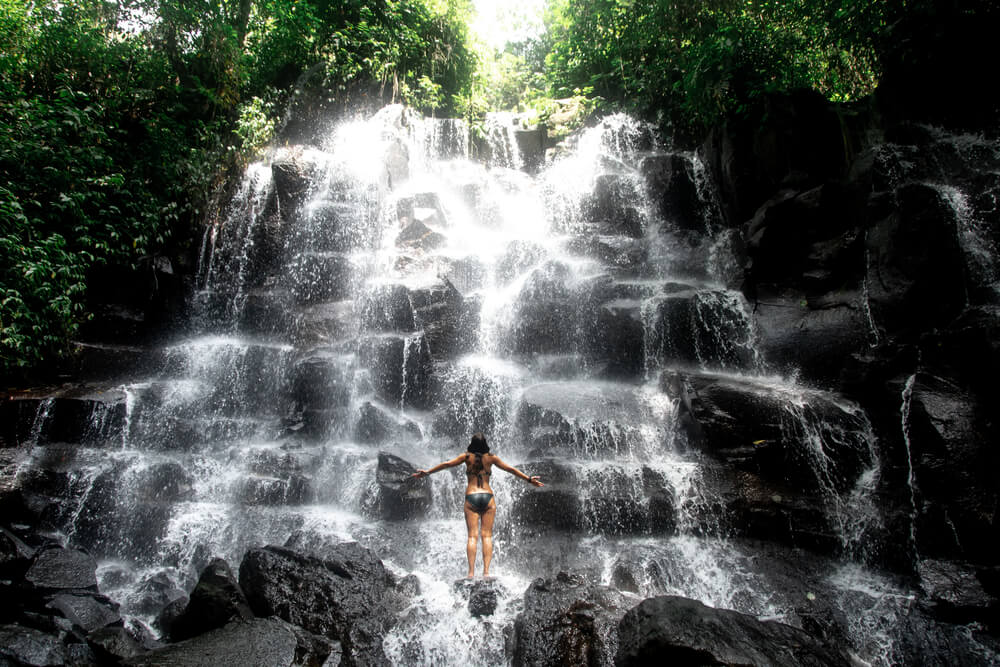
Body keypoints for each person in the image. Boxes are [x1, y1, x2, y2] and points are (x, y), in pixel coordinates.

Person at [411, 432, 543, 578]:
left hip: (471, 496)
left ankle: (471, 573)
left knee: (472, 537)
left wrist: (427, 472)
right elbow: (510, 469)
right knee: (486, 536)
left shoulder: (466, 457)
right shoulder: (491, 458)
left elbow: (446, 464)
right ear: (485, 444)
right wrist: (529, 479)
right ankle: (486, 572)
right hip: (488, 497)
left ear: (471, 444)